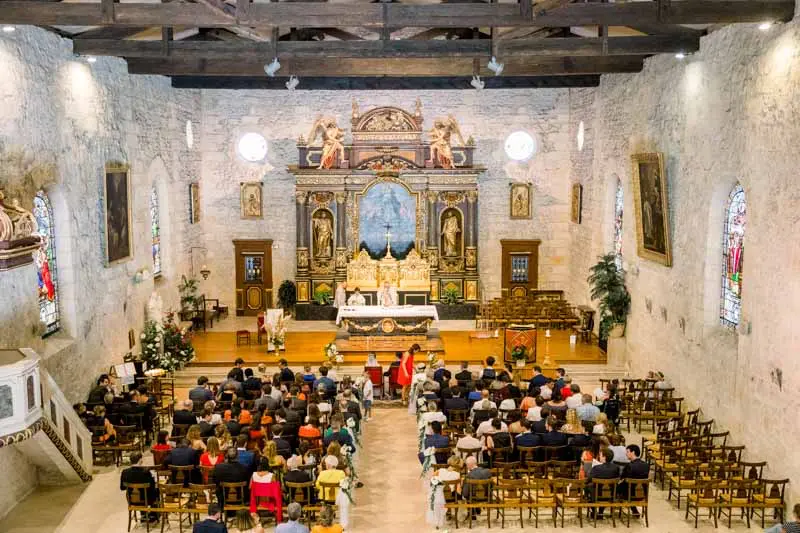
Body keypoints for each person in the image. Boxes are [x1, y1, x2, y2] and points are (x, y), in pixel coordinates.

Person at [120, 451, 159, 523]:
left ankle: (143, 514)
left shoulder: (125, 472)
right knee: (157, 491)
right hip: (146, 500)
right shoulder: (145, 472)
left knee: (141, 492)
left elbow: (122, 488)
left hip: (132, 500)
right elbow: (152, 487)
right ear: (140, 460)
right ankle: (154, 514)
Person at [427, 456, 463, 528]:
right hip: (452, 497)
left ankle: (447, 513)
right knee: (455, 493)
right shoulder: (457, 475)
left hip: (439, 496)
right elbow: (459, 491)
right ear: (458, 465)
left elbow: (431, 481)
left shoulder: (440, 471)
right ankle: (452, 514)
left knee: (444, 491)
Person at [587, 448, 620, 519]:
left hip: (597, 494)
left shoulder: (596, 468)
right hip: (611, 494)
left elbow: (589, 479)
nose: (599, 457)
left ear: (604, 457)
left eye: (600, 455)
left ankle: (594, 511)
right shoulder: (616, 468)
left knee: (588, 487)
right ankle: (601, 511)